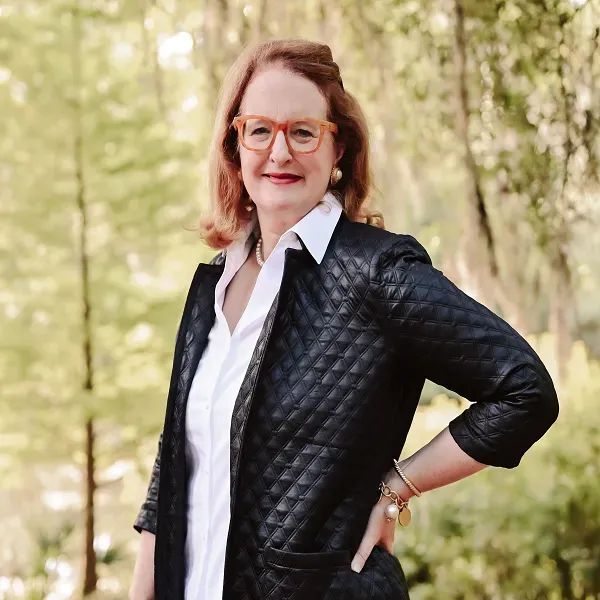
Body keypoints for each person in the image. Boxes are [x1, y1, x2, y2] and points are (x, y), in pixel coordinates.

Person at [129, 38, 559, 600]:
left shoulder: (376, 271)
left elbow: (524, 391)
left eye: (303, 132)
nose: (279, 152)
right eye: (259, 130)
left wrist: (398, 486)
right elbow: (177, 463)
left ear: (338, 151)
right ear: (234, 146)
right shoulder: (213, 280)